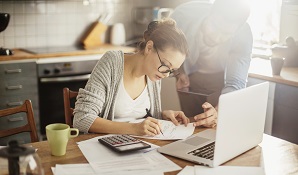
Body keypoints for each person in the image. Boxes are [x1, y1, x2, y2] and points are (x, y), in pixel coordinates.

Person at [73, 18, 189, 136]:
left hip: (138, 147)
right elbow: (82, 119)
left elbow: (138, 117)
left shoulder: (154, 75)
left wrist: (163, 115)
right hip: (105, 146)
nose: (166, 74)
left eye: (172, 70)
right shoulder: (112, 63)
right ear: (149, 48)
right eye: (165, 65)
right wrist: (133, 128)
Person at [171, 0, 253, 128]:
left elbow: (235, 82)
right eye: (215, 27)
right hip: (190, 76)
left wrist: (221, 109)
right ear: (210, 12)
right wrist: (179, 73)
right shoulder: (182, 16)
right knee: (189, 126)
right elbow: (167, 50)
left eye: (225, 34)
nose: (216, 37)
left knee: (215, 125)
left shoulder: (243, 35)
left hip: (219, 81)